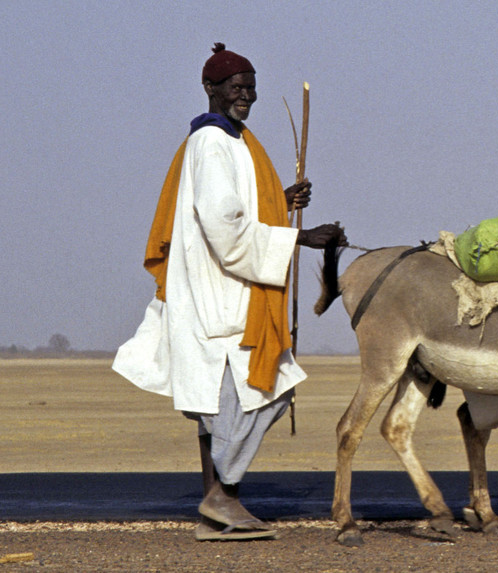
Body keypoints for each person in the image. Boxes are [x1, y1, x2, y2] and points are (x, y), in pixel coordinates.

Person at [113, 43, 344, 542]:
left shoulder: (235, 142)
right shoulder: (213, 143)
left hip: (227, 288)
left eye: (251, 88)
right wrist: (299, 236)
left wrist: (279, 204)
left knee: (218, 411)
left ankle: (216, 514)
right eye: (237, 87)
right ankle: (223, 496)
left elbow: (235, 208)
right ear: (211, 89)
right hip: (222, 295)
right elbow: (223, 223)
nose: (247, 96)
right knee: (270, 391)